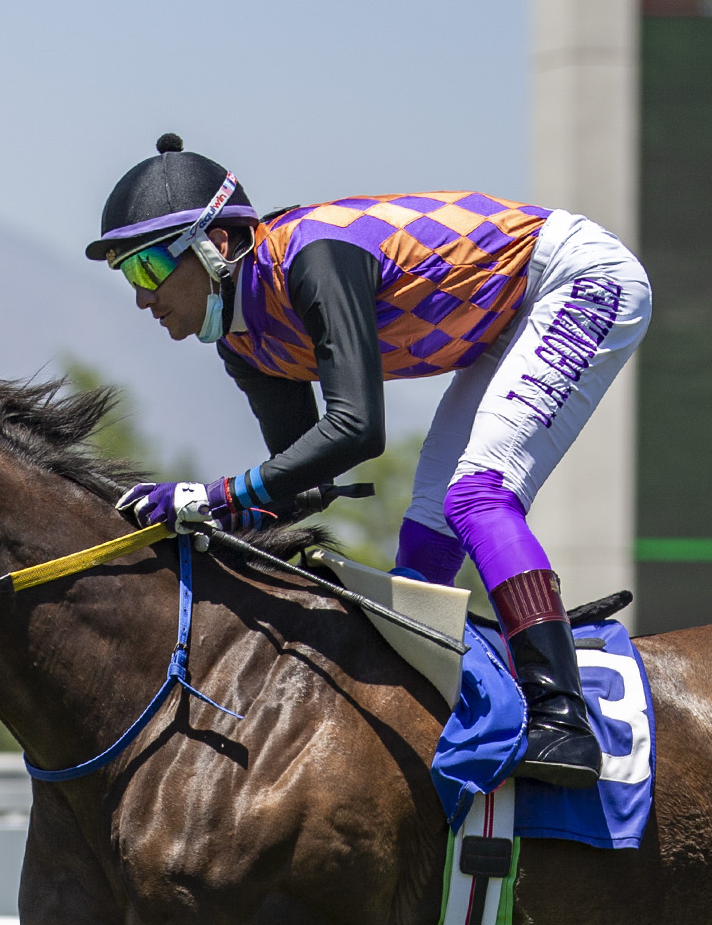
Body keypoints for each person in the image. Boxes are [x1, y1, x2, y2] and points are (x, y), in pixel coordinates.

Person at [86, 136, 653, 788]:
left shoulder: (312, 256)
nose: (142, 297)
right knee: (428, 531)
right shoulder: (244, 343)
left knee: (476, 497)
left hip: (574, 279)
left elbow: (356, 430)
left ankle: (562, 717)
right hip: (506, 318)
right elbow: (296, 486)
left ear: (214, 243)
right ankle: (434, 700)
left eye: (149, 267)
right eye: (128, 276)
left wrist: (211, 496)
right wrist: (195, 524)